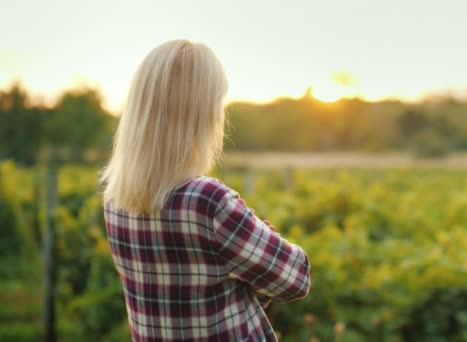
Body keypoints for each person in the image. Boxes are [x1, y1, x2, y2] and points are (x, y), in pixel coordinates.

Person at [98, 39, 311, 341]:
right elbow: (296, 279)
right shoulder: (208, 201)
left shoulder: (115, 201)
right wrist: (264, 238)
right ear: (200, 115)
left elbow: (194, 300)